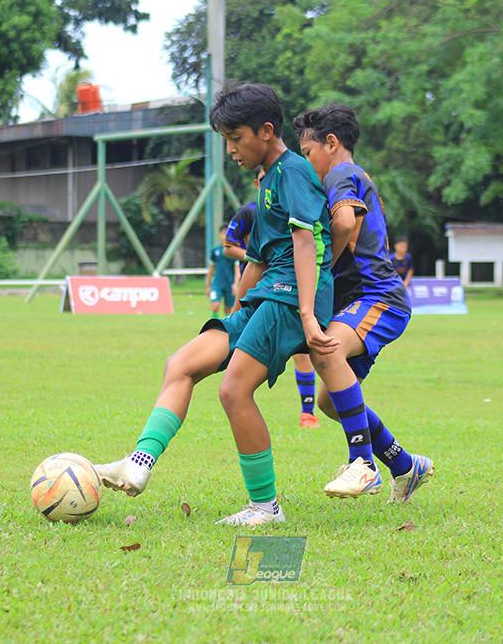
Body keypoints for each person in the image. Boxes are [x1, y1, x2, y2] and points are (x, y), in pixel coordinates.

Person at [95, 82, 335, 526]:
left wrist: (307, 316)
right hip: (267, 296)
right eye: (225, 140)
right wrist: (238, 309)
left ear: (265, 131)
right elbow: (260, 256)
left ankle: (266, 507)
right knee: (181, 363)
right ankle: (139, 463)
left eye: (235, 138)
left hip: (292, 297)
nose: (230, 150)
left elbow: (305, 242)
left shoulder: (295, 171)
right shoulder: (266, 182)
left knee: (233, 390)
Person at [294, 103, 433, 503]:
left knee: (327, 349)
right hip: (359, 302)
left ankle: (363, 464)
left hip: (378, 297)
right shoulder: (351, 176)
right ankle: (406, 465)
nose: (308, 162)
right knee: (330, 400)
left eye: (308, 153)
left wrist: (323, 266)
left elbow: (343, 222)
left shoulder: (342, 173)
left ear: (331, 143)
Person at [224, 166, 320, 428]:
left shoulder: (295, 207)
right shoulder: (249, 211)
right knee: (241, 359)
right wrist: (256, 257)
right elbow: (229, 247)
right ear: (258, 183)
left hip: (286, 289)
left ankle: (307, 413)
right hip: (256, 289)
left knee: (303, 352)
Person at [206, 223, 240, 318]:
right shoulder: (215, 251)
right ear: (219, 235)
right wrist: (208, 285)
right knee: (215, 306)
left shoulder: (234, 251)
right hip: (217, 283)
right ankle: (213, 325)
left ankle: (225, 328)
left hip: (229, 283)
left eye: (227, 234)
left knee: (228, 309)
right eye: (223, 234)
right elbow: (211, 270)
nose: (225, 236)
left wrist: (235, 285)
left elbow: (237, 270)